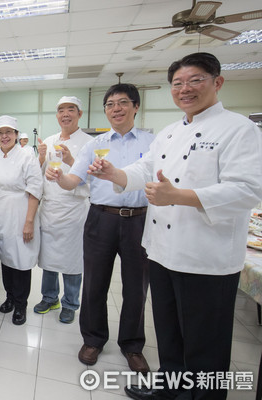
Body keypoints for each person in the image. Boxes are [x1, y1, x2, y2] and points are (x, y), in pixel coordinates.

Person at [87, 53, 262, 400]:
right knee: (168, 334)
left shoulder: (238, 128)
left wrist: (178, 195)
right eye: (178, 83)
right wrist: (114, 174)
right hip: (162, 253)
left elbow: (247, 190)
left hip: (206, 258)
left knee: (204, 345)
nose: (185, 89)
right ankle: (168, 391)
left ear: (217, 82)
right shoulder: (167, 134)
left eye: (195, 80)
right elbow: (142, 170)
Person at [45, 84, 154, 374]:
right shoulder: (96, 144)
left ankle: (132, 346)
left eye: (122, 103)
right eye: (109, 104)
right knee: (94, 284)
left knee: (135, 287)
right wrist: (57, 177)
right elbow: (74, 181)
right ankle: (93, 339)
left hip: (139, 220)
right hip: (101, 218)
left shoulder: (153, 142)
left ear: (135, 106)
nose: (115, 109)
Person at [0, 115, 42, 325]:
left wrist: (29, 221)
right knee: (6, 259)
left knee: (21, 261)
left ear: (16, 135)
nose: (4, 136)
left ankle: (21, 304)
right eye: (0, 133)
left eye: (8, 132)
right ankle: (10, 297)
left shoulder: (27, 156)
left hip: (20, 213)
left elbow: (35, 190)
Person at [33, 96, 93, 324]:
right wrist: (40, 159)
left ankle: (70, 303)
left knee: (72, 260)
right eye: (61, 110)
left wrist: (70, 159)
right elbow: (38, 175)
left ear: (79, 114)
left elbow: (93, 180)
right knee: (48, 257)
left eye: (70, 110)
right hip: (49, 209)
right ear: (57, 115)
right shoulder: (49, 140)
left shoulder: (89, 143)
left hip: (74, 209)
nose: (65, 114)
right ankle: (49, 298)